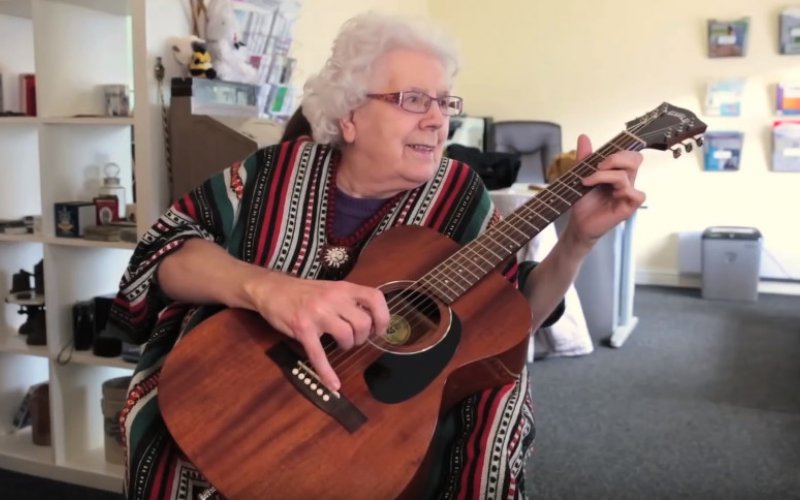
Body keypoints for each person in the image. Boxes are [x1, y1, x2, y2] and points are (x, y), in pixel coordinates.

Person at [108, 11, 645, 500]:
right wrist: (268, 288)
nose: (438, 121)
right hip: (243, 381)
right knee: (175, 444)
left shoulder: (460, 194)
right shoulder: (272, 174)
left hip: (380, 408)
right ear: (349, 116)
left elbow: (509, 312)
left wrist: (578, 242)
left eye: (444, 101)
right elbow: (168, 253)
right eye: (414, 100)